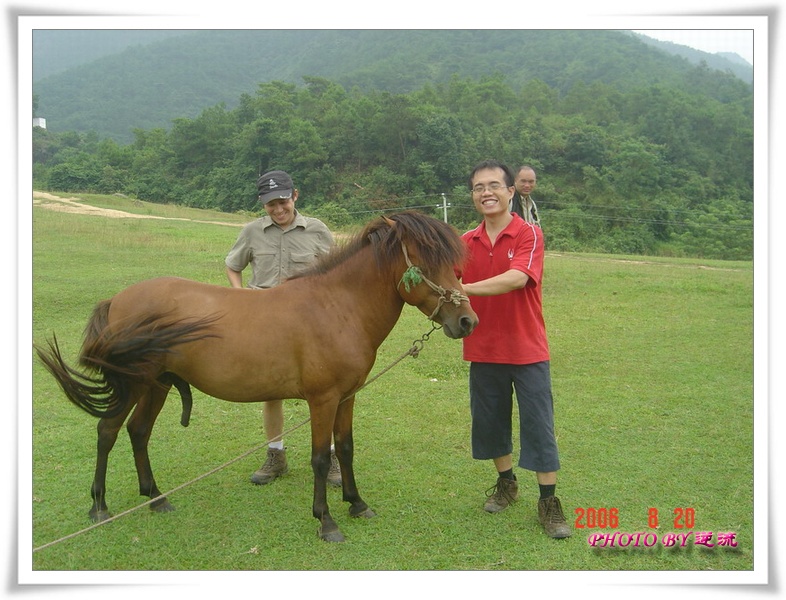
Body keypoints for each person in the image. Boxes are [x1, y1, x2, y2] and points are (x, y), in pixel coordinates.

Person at [457, 159, 570, 539]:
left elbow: (518, 278)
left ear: (510, 191)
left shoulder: (528, 234)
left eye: (493, 185)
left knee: (539, 425)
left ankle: (549, 502)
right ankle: (506, 483)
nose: (486, 193)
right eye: (478, 187)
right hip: (483, 349)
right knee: (490, 424)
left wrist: (463, 289)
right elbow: (442, 279)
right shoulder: (465, 243)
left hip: (526, 350)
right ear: (473, 196)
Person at [225, 169, 341, 487]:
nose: (278, 209)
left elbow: (337, 275)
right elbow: (233, 266)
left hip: (310, 326)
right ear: (262, 204)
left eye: (283, 201)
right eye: (270, 204)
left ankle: (330, 455)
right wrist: (239, 296)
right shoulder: (252, 232)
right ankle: (275, 455)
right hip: (264, 325)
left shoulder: (317, 230)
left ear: (295, 195)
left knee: (325, 389)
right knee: (271, 391)